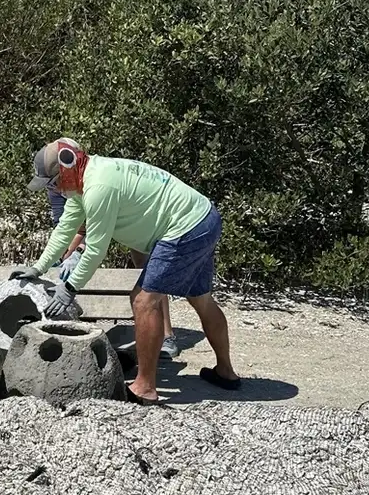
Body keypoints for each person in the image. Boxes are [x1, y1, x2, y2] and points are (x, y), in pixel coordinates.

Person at [14, 140, 238, 404]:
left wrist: (69, 289)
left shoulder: (99, 188)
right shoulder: (84, 182)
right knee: (201, 299)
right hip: (202, 217)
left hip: (186, 227)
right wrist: (38, 267)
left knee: (143, 301)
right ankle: (226, 373)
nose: (53, 189)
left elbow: (96, 249)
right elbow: (66, 227)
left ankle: (144, 387)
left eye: (52, 183)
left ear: (66, 168)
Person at [47, 142, 178, 358]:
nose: (54, 186)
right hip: (101, 222)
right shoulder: (54, 186)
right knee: (66, 264)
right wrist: (61, 257)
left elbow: (94, 227)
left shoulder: (97, 182)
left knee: (148, 269)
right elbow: (66, 226)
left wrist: (78, 251)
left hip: (133, 218)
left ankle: (167, 335)